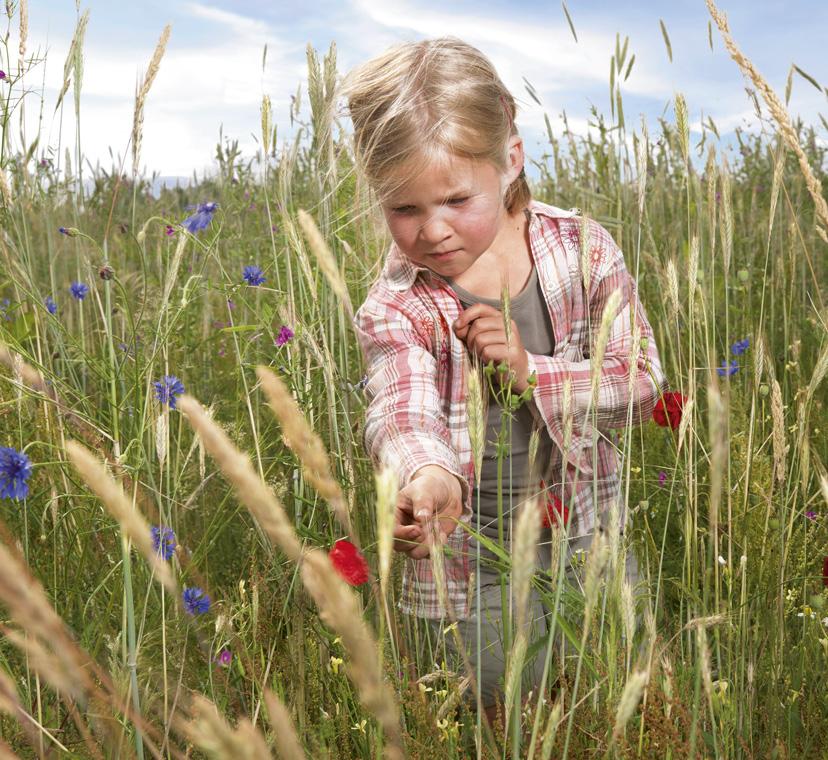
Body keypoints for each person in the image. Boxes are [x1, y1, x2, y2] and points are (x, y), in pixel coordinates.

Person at [343, 36, 668, 726]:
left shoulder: (581, 250)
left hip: (589, 528)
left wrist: (531, 371)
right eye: (403, 209)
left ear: (510, 160)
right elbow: (401, 410)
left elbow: (640, 380)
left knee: (619, 678)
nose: (432, 230)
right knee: (498, 699)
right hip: (471, 555)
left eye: (457, 198)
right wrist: (427, 479)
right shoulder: (398, 302)